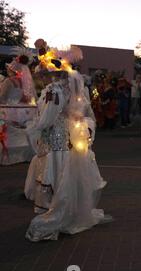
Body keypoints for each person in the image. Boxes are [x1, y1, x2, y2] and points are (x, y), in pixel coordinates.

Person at [24, 41, 112, 241]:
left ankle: (57, 212)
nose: (41, 76)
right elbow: (82, 112)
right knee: (65, 175)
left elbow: (47, 118)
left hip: (55, 138)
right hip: (69, 139)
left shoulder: (53, 90)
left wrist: (32, 127)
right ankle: (70, 210)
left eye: (43, 72)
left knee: (55, 174)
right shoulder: (74, 88)